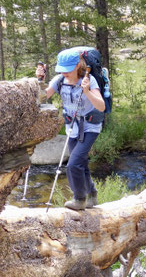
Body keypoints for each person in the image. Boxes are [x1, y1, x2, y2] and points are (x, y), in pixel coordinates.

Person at [37, 48, 105, 210]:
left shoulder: (90, 80)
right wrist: (39, 80)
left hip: (90, 127)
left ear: (77, 65)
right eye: (61, 69)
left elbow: (101, 106)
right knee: (81, 164)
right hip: (72, 128)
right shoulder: (60, 80)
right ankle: (92, 195)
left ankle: (79, 199)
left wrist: (86, 91)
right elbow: (42, 96)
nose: (64, 73)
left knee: (73, 165)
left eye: (67, 70)